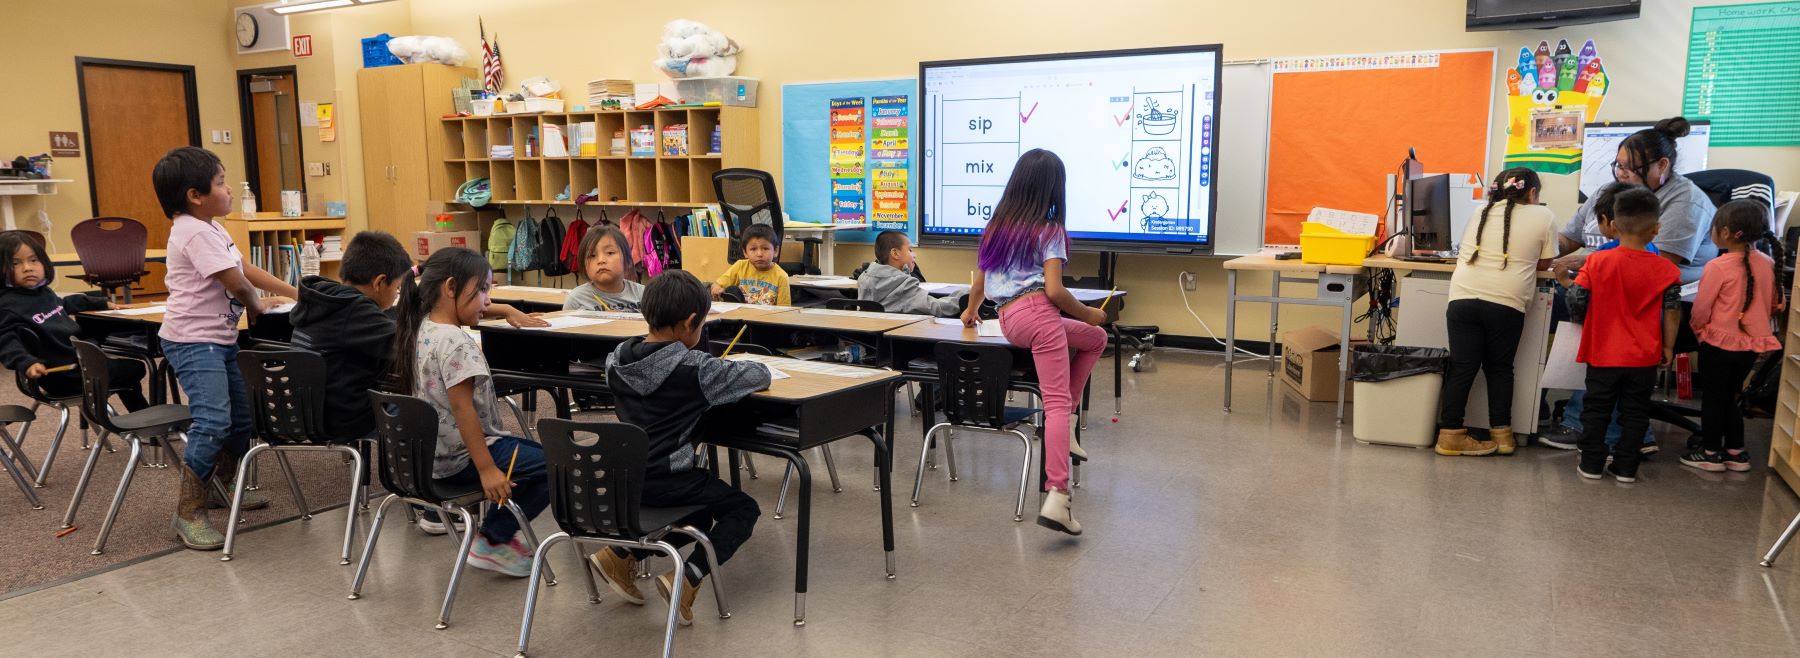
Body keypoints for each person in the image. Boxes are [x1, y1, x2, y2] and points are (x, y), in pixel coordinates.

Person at [597, 270, 771, 626]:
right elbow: (760, 375)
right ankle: (687, 576)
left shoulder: (616, 359)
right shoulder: (697, 369)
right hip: (670, 477)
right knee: (743, 509)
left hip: (628, 480)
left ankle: (619, 555)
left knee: (697, 515)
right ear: (692, 321)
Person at [153, 146, 298, 550]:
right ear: (194, 195)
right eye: (220, 182)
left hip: (217, 339)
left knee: (239, 419)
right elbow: (235, 283)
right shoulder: (192, 231)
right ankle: (188, 511)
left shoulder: (211, 227)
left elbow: (244, 269)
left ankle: (220, 485)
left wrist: (294, 293)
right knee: (213, 421)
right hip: (193, 341)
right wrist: (257, 304)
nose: (229, 188)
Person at [962, 148, 1105, 535]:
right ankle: (1058, 494)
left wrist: (971, 311)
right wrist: (1088, 312)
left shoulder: (996, 226)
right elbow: (1056, 292)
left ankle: (1069, 426)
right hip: (1040, 317)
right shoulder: (1050, 230)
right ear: (1053, 188)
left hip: (1009, 319)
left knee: (1095, 339)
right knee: (1055, 402)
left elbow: (979, 282)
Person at [388, 247, 548, 576]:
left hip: (428, 460)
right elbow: (464, 411)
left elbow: (471, 306)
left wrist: (504, 308)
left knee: (535, 454)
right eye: (483, 290)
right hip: (463, 460)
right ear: (450, 287)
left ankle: (494, 533)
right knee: (554, 465)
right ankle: (494, 538)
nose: (486, 300)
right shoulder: (458, 344)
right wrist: (487, 469)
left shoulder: (420, 326)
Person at [1558, 187, 1681, 483]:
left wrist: (1580, 316)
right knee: (1636, 411)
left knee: (1596, 408)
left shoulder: (1597, 262)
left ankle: (1591, 463)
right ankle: (1626, 467)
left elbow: (1577, 300)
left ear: (1613, 225)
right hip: (1644, 356)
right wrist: (1668, 346)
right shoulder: (1666, 269)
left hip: (1603, 353)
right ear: (1656, 229)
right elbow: (1673, 310)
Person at [1434, 168, 1556, 457]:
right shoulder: (1544, 216)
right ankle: (1503, 437)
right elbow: (1545, 263)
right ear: (1533, 193)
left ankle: (1450, 436)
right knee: (1500, 369)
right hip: (1506, 303)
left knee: (1462, 367)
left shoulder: (1481, 212)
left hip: (1462, 299)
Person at [1537, 183, 1664, 452]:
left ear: (1609, 223)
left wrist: (1564, 281)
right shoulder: (1653, 253)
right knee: (1632, 398)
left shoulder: (1602, 259)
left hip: (1607, 344)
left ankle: (1590, 443)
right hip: (1644, 345)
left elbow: (1582, 301)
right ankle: (1643, 438)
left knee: (1603, 396)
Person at [1682, 200, 1784, 473]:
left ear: (1725, 232)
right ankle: (1736, 452)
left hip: (1717, 344)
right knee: (1730, 396)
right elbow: (1774, 304)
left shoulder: (1718, 266)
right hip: (1751, 346)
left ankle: (1710, 451)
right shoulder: (1769, 263)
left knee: (1714, 398)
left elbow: (1701, 308)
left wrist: (1699, 331)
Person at [0, 231, 150, 412]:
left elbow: (63, 304)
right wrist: (25, 362)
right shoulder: (7, 305)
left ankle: (141, 421)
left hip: (80, 366)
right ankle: (142, 424)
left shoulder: (42, 293)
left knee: (119, 365)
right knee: (135, 368)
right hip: (67, 377)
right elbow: (5, 338)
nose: (27, 268)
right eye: (16, 263)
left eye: (33, 260)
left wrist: (102, 302)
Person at [857, 230, 960, 317]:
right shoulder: (902, 284)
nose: (914, 255)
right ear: (895, 253)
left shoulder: (864, 277)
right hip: (897, 337)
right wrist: (967, 294)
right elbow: (937, 308)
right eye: (910, 250)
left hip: (869, 337)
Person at [563, 226, 644, 312]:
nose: (601, 260)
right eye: (592, 255)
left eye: (610, 253)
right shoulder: (577, 299)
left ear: (627, 260)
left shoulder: (642, 294)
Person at [709, 223, 790, 305]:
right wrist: (716, 288)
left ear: (775, 251)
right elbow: (717, 284)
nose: (759, 254)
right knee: (732, 290)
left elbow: (784, 311)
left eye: (765, 248)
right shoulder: (740, 266)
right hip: (741, 315)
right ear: (745, 252)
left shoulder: (782, 277)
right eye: (753, 249)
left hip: (766, 317)